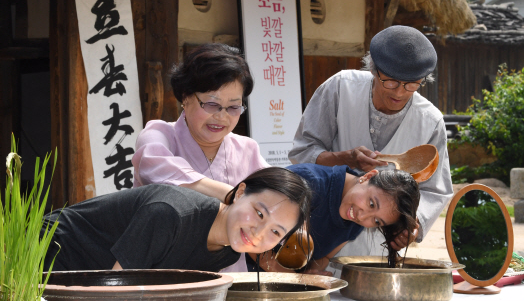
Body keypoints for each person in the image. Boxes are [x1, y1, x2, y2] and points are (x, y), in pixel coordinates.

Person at [288, 25, 453, 256]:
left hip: (379, 254)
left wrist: (413, 224)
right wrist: (344, 159)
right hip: (321, 240)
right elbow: (302, 152)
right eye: (391, 82)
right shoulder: (341, 88)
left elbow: (436, 190)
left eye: (412, 85)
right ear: (374, 70)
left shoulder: (430, 121)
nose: (400, 93)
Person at [132, 43, 268, 272]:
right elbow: (156, 170)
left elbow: (275, 194)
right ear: (185, 97)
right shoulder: (160, 135)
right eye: (212, 104)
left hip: (230, 283)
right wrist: (232, 194)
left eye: (233, 107)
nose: (222, 117)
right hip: (164, 279)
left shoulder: (247, 149)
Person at [43, 167, 311, 273]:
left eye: (276, 233)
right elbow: (115, 294)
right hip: (40, 253)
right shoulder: (171, 214)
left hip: (82, 280)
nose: (258, 232)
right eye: (260, 213)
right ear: (240, 192)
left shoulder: (228, 252)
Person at [247, 163, 420, 274]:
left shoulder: (355, 222)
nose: (363, 216)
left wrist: (312, 273)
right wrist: (296, 281)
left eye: (377, 221)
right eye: (371, 204)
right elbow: (251, 234)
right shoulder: (306, 182)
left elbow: (324, 258)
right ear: (368, 176)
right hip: (237, 273)